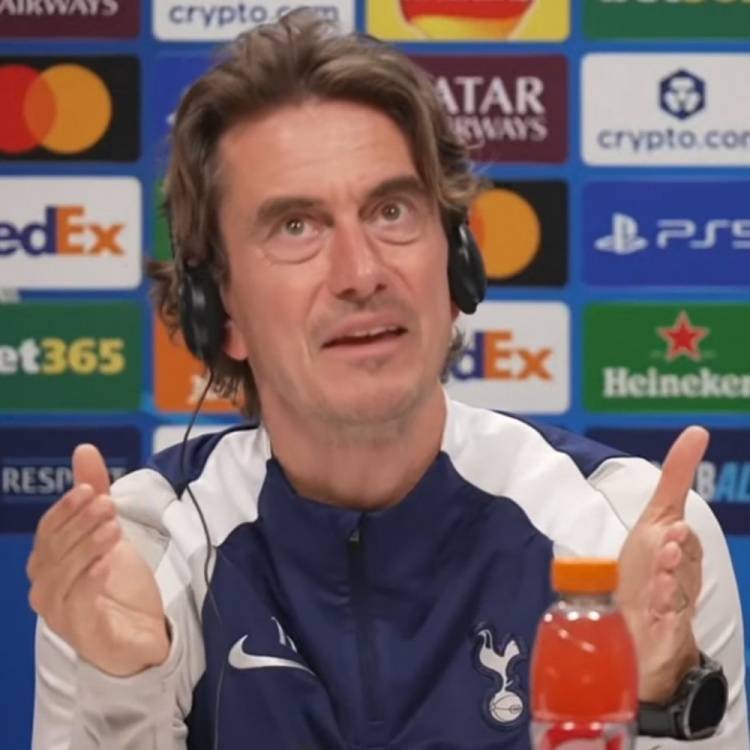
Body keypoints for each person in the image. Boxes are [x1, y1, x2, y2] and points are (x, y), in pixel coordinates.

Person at [27, 10, 747, 749]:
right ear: (220, 311)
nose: (362, 272)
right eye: (296, 227)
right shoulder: (140, 555)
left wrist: (653, 691)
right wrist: (125, 686)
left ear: (457, 265)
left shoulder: (628, 534)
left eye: (392, 211)